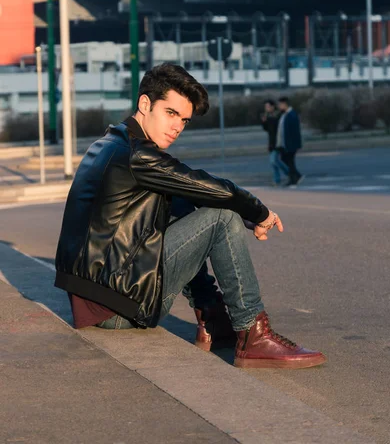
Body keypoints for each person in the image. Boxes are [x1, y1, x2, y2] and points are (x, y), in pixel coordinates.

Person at [55, 64, 325, 369]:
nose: (177, 127)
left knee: (183, 205)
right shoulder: (137, 155)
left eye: (183, 120)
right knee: (222, 217)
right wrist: (259, 212)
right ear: (145, 104)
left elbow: (185, 199)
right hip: (116, 307)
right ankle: (253, 336)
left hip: (99, 299)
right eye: (170, 113)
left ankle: (213, 318)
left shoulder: (111, 144)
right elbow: (211, 187)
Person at [261, 99, 289, 186]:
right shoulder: (267, 116)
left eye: (268, 106)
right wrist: (264, 122)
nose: (267, 108)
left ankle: (289, 172)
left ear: (273, 107)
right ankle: (277, 180)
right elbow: (267, 129)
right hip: (271, 142)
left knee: (274, 161)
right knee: (273, 162)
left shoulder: (278, 115)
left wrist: (268, 120)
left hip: (278, 142)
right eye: (266, 107)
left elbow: (278, 128)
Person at [277, 96, 303, 186]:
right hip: (285, 143)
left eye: (280, 105)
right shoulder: (284, 114)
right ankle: (295, 177)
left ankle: (294, 178)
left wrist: (294, 144)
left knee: (289, 161)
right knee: (286, 160)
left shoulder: (292, 114)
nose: (279, 106)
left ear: (284, 104)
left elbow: (294, 131)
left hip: (290, 144)